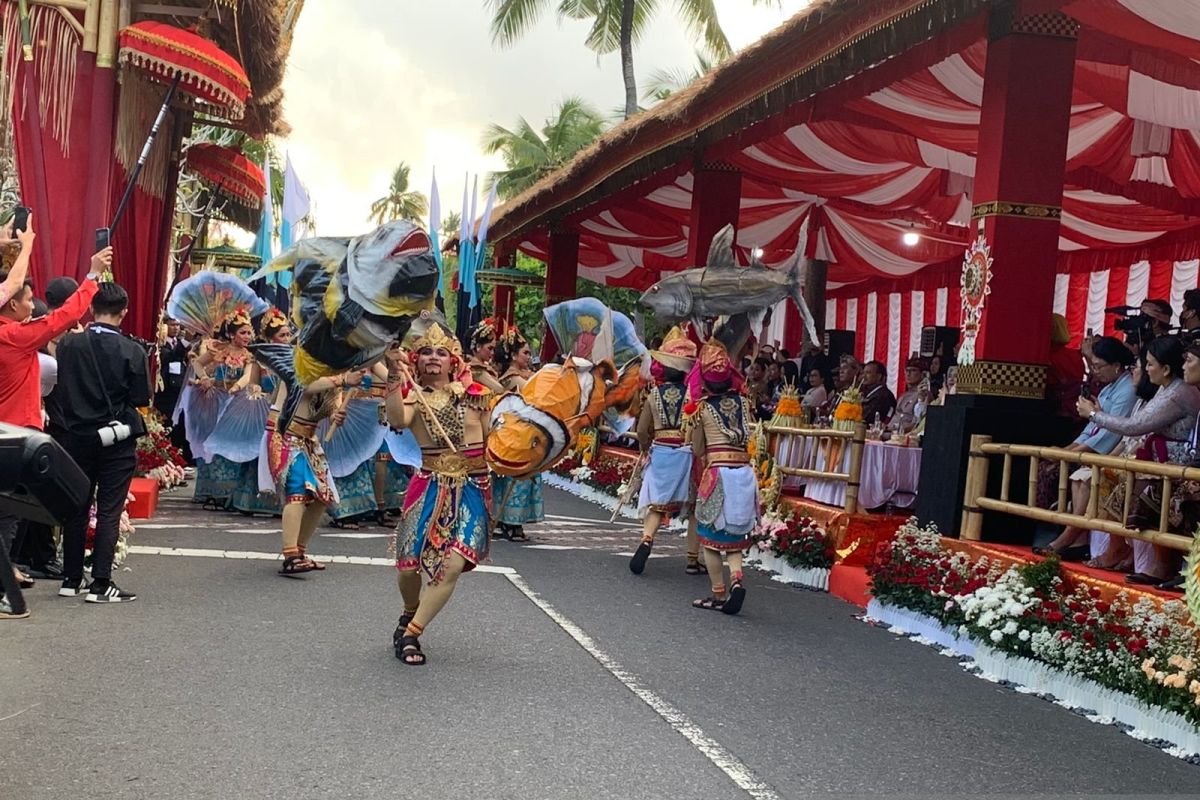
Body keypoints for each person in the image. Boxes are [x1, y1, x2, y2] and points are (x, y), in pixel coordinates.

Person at [0, 221, 108, 619]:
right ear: (12, 305)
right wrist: (93, 275)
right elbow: (66, 315)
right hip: (12, 438)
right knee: (8, 515)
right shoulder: (13, 337)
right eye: (28, 300)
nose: (33, 307)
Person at [386, 320, 494, 666]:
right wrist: (391, 375)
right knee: (408, 568)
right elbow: (398, 421)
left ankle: (411, 634)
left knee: (450, 565)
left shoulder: (477, 396)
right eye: (428, 352)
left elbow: (498, 442)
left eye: (442, 352)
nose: (435, 357)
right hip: (429, 486)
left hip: (472, 488)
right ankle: (410, 611)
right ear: (415, 361)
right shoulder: (416, 397)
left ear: (454, 361)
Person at [1076, 336, 1200, 585]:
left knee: (1143, 488)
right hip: (1165, 467)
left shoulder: (1179, 392)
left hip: (1178, 469)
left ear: (1165, 369)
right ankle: (1131, 553)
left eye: (1150, 364)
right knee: (1120, 478)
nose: (1144, 370)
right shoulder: (1171, 389)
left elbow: (1135, 426)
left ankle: (1161, 562)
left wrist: (1094, 414)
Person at [55, 282, 150, 603]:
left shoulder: (68, 345)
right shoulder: (132, 350)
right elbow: (140, 397)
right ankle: (101, 583)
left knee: (75, 507)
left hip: (76, 436)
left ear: (92, 309)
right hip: (116, 439)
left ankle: (70, 578)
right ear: (123, 312)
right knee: (109, 508)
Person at [1031, 337, 1138, 558]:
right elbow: (1092, 427)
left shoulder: (1127, 389)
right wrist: (1067, 450)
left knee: (1072, 474)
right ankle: (1073, 539)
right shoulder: (1110, 388)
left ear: (1116, 366)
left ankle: (1066, 538)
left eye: (1098, 366)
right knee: (1060, 471)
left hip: (1110, 451)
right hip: (1095, 450)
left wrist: (1070, 455)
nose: (1094, 371)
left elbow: (1110, 432)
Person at [689, 338, 758, 615]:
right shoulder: (743, 402)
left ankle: (718, 594)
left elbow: (696, 448)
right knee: (733, 538)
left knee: (709, 539)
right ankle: (737, 581)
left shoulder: (702, 408)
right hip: (743, 474)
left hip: (717, 472)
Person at [267, 366, 351, 576]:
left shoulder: (337, 373)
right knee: (298, 491)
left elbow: (332, 409)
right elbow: (302, 385)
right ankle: (290, 556)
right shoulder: (302, 360)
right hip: (284, 432)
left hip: (308, 439)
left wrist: (336, 418)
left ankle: (299, 551)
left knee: (322, 497)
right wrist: (341, 378)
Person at [630, 327, 697, 575]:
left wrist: (646, 448)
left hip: (660, 452)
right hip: (686, 453)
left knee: (657, 505)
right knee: (694, 508)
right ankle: (692, 559)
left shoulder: (653, 395)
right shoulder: (693, 396)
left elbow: (642, 430)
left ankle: (647, 538)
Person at [191, 311, 257, 508]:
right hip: (215, 401)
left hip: (236, 403)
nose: (247, 337)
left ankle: (229, 492)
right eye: (243, 333)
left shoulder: (250, 355)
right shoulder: (217, 349)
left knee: (231, 443)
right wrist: (203, 377)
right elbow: (197, 363)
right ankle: (211, 490)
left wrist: (237, 387)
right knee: (211, 443)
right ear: (231, 334)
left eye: (249, 333)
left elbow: (248, 375)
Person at [491, 325, 544, 542]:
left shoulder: (527, 375)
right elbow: (535, 394)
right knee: (516, 475)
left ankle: (513, 521)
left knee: (523, 476)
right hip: (514, 432)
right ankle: (509, 522)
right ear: (513, 356)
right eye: (525, 352)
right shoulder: (512, 377)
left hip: (527, 430)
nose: (528, 356)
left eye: (530, 353)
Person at [156, 317, 191, 460]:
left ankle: (181, 456)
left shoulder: (182, 344)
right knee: (168, 421)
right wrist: (184, 343)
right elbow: (170, 356)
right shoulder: (162, 344)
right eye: (172, 325)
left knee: (181, 422)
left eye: (178, 325)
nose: (176, 328)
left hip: (181, 388)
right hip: (167, 390)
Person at [889, 356, 929, 433]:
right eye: (907, 370)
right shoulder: (903, 396)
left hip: (906, 435)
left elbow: (918, 423)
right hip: (891, 431)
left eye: (913, 370)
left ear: (922, 374)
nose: (908, 374)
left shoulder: (925, 394)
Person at [468, 317, 505, 393]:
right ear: (478, 347)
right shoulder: (476, 369)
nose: (492, 353)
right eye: (490, 348)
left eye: (493, 349)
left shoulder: (483, 367)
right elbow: (499, 390)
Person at [860, 360, 896, 427]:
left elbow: (868, 418)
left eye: (868, 373)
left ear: (879, 376)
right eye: (863, 373)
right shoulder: (866, 392)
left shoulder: (884, 395)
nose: (864, 376)